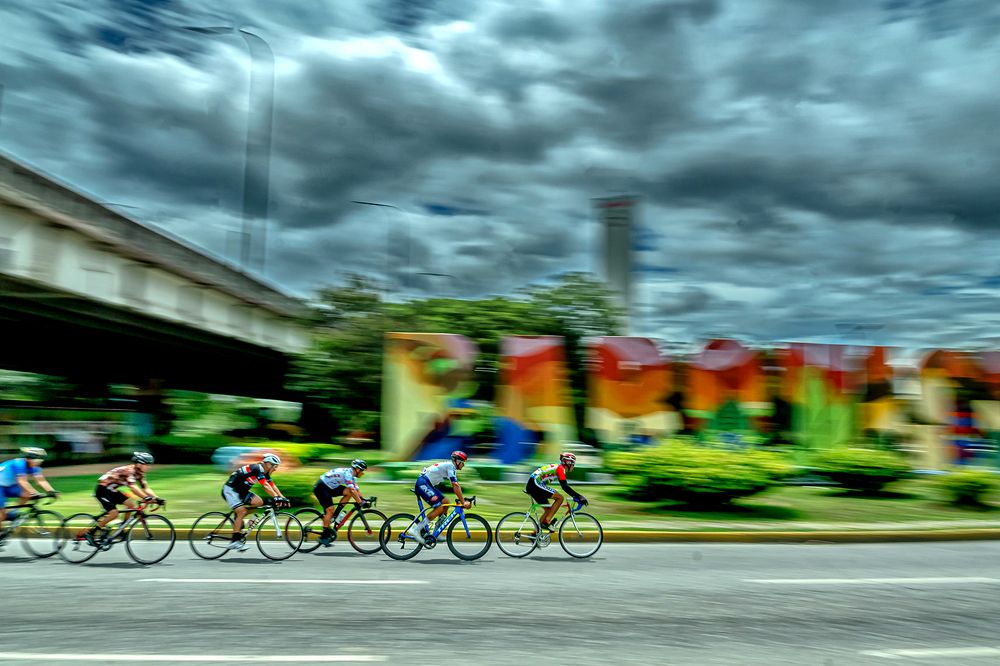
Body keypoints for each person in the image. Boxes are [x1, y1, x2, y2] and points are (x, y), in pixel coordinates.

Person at [85, 451, 161, 545]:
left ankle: (121, 529)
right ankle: (91, 533)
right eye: (147, 464)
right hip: (102, 490)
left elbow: (145, 488)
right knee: (114, 514)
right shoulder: (129, 470)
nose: (149, 466)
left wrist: (157, 498)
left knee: (130, 504)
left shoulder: (140, 473)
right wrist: (146, 498)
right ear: (139, 464)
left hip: (111, 490)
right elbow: (133, 487)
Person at [222, 453, 289, 550]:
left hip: (242, 491)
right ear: (268, 464)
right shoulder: (257, 468)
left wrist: (282, 497)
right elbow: (265, 486)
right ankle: (235, 541)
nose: (275, 469)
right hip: (231, 489)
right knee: (242, 511)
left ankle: (238, 518)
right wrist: (275, 497)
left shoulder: (265, 472)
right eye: (275, 466)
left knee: (258, 502)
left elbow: (272, 485)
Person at [407, 451, 470, 545]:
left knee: (446, 502)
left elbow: (455, 485)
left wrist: (462, 500)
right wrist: (463, 501)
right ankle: (416, 529)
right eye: (463, 463)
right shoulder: (451, 466)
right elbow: (455, 485)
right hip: (423, 484)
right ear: (457, 461)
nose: (463, 465)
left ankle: (437, 532)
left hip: (427, 484)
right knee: (439, 508)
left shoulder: (450, 466)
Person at [527, 452, 587, 532]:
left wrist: (576, 496)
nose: (573, 466)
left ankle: (534, 534)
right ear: (568, 463)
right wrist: (579, 496)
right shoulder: (560, 468)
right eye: (573, 464)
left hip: (533, 484)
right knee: (560, 498)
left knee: (548, 510)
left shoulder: (558, 467)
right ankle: (547, 521)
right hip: (534, 483)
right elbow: (565, 486)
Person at [314, 459, 368, 546]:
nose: (363, 473)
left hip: (330, 487)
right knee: (330, 510)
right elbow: (352, 490)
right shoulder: (348, 474)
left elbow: (356, 490)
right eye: (362, 471)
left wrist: (363, 499)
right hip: (322, 487)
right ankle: (323, 537)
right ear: (357, 469)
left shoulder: (352, 476)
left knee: (349, 493)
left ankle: (335, 515)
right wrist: (360, 502)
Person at [0, 447, 57, 525]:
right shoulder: (19, 464)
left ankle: (12, 514)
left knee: (27, 494)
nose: (39, 462)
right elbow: (22, 481)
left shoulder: (35, 467)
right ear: (28, 458)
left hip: (8, 486)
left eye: (41, 460)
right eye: (37, 460)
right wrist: (35, 493)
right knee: (2, 514)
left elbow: (41, 481)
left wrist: (51, 491)